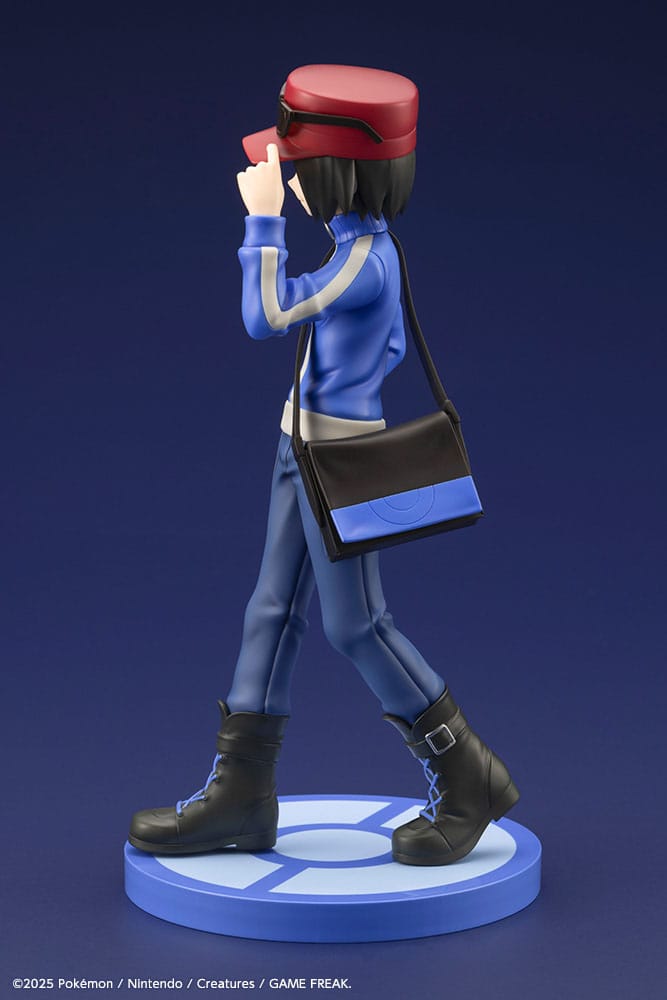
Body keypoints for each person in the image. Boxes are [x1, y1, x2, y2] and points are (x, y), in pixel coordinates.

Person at [129, 65, 518, 866]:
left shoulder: (363, 260)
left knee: (357, 625)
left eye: (295, 169)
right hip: (298, 446)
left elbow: (265, 315)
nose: (285, 180)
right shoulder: (355, 250)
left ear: (336, 174)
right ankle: (241, 794)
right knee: (270, 610)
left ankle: (468, 775)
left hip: (337, 461)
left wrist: (262, 222)